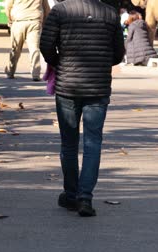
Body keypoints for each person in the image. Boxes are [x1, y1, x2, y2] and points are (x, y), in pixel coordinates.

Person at [40, 0, 125, 217]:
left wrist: (60, 63)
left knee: (69, 144)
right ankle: (85, 198)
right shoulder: (110, 14)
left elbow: (46, 45)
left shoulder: (60, 10)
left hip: (67, 86)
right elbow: (118, 54)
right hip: (98, 87)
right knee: (93, 143)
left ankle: (70, 195)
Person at [4, 0, 50, 81]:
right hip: (35, 21)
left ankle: (11, 72)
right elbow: (46, 8)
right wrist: (44, 22)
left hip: (19, 21)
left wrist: (10, 19)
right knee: (34, 49)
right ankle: (35, 74)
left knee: (15, 49)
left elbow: (7, 6)